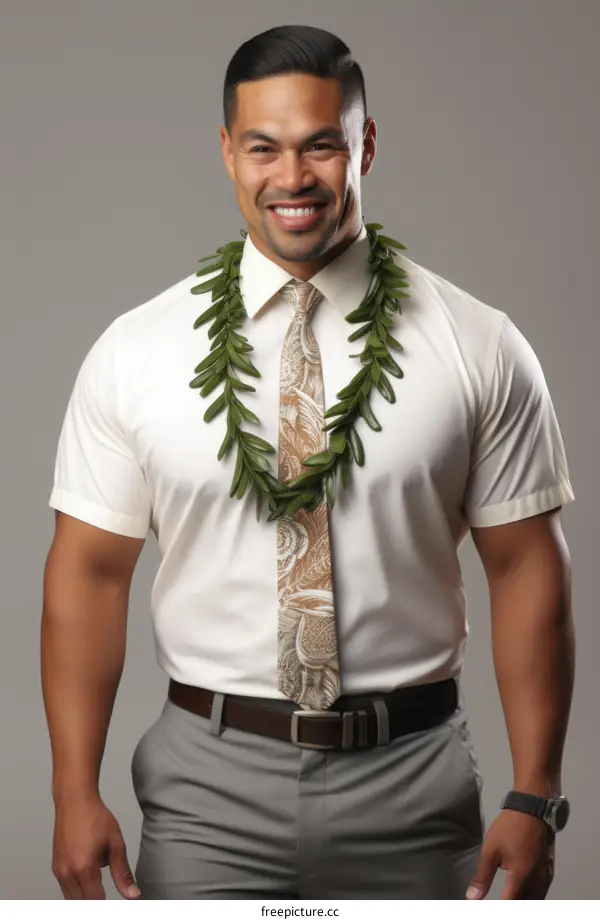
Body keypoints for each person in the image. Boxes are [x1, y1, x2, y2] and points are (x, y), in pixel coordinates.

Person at [42, 24, 575, 900]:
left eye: (320, 146)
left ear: (363, 144)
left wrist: (536, 791)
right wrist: (72, 790)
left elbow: (526, 570)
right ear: (226, 152)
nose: (291, 179)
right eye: (263, 148)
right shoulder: (135, 352)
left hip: (416, 782)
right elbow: (88, 578)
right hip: (206, 788)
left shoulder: (479, 344)